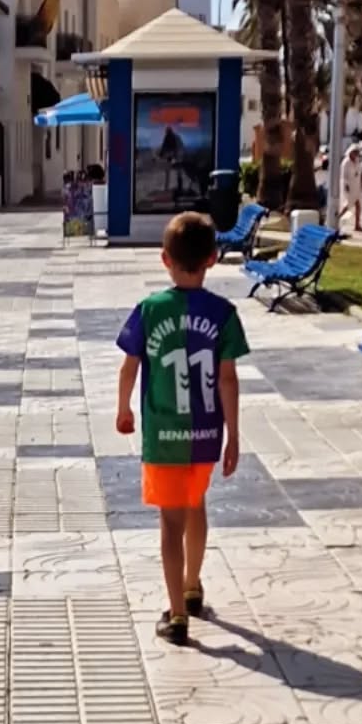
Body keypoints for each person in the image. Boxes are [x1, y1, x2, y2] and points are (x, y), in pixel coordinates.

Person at [115, 211, 248, 645]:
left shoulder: (149, 310)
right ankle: (192, 586)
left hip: (163, 436)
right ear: (212, 258)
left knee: (170, 524)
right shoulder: (224, 314)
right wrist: (233, 435)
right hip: (206, 435)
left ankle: (176, 616)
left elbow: (130, 364)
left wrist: (123, 409)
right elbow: (227, 379)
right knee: (197, 504)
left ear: (164, 259)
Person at [340, 140, 362, 234]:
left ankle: (357, 225)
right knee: (347, 206)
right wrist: (346, 186)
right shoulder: (345, 163)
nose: (356, 154)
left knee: (358, 205)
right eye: (355, 152)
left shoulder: (357, 161)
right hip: (349, 187)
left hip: (357, 186)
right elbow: (344, 177)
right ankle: (335, 220)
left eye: (357, 152)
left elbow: (360, 171)